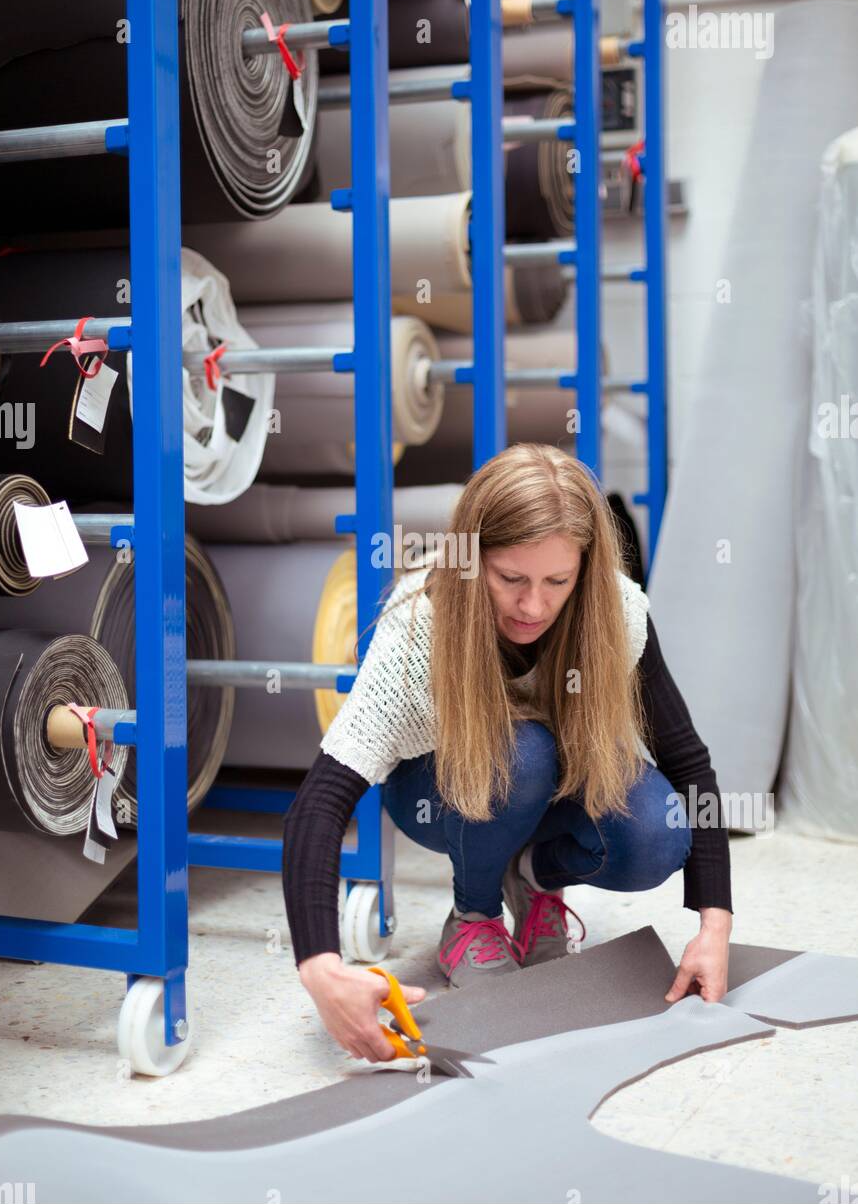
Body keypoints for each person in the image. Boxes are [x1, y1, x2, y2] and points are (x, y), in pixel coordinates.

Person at [281, 444, 733, 1064]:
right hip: (437, 793)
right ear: (473, 562)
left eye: (558, 582)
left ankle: (531, 876)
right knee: (524, 752)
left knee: (659, 831)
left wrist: (715, 925)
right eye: (510, 579)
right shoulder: (420, 629)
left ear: (586, 570)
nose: (533, 607)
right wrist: (320, 967)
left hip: (545, 785)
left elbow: (688, 762)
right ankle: (473, 914)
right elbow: (319, 803)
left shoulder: (619, 611)